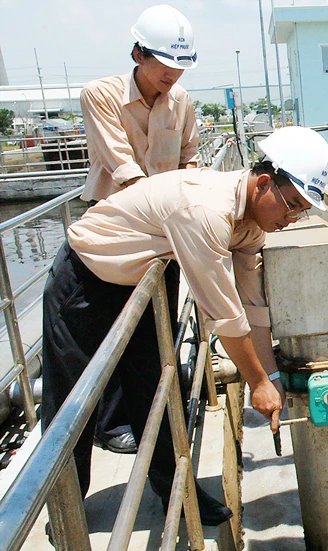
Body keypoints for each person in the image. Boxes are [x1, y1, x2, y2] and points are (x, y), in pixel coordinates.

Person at [41, 126, 328, 526]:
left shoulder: (249, 224)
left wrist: (270, 375)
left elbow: (252, 309)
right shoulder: (205, 211)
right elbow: (223, 316)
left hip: (140, 284)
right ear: (263, 183)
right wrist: (258, 383)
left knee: (157, 390)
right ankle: (64, 515)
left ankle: (177, 496)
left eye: (302, 211)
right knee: (74, 402)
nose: (292, 218)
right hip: (86, 279)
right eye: (292, 205)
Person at [79, 4, 200, 454]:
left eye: (180, 67)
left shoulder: (182, 102)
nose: (172, 75)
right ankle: (110, 425)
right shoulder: (101, 95)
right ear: (137, 53)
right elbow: (123, 167)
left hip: (164, 233)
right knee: (116, 327)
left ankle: (153, 414)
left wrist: (190, 202)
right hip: (114, 229)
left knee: (158, 323)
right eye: (165, 65)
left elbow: (189, 156)